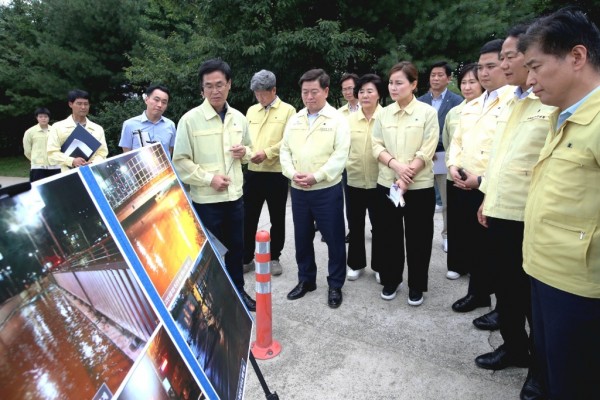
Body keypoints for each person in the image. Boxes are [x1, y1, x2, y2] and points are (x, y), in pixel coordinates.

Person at [519, 8, 600, 399]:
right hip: (544, 272)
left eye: (535, 66)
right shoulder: (563, 117)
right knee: (554, 376)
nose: (529, 79)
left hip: (580, 288)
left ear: (577, 57)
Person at [472, 27, 555, 400]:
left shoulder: (550, 101)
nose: (504, 64)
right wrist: (487, 198)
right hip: (500, 211)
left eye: (509, 56)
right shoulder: (513, 101)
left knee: (533, 301)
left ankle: (539, 371)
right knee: (506, 290)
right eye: (500, 58)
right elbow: (501, 158)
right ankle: (513, 348)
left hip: (529, 217)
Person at [172, 59, 256, 312]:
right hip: (207, 202)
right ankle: (212, 301)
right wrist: (210, 179)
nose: (215, 90)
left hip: (235, 199)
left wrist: (245, 152)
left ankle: (238, 293)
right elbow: (180, 161)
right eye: (209, 86)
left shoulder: (239, 119)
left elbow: (250, 149)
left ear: (229, 85)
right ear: (202, 90)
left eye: (220, 84)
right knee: (209, 255)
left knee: (236, 250)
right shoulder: (190, 120)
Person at [446, 39, 513, 313]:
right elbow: (457, 141)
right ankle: (478, 294)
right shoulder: (472, 105)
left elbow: (507, 151)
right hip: (462, 183)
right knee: (473, 245)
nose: (484, 73)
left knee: (497, 251)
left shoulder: (513, 102)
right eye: (481, 67)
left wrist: (481, 181)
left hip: (491, 188)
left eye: (491, 66)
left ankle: (502, 308)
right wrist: (452, 166)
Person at [280, 68, 350, 309]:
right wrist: (292, 173)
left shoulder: (337, 120)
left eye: (314, 92)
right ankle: (306, 280)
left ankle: (335, 284)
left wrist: (317, 176)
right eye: (304, 92)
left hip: (326, 190)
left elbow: (340, 156)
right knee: (301, 238)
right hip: (299, 190)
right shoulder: (296, 119)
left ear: (326, 91)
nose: (309, 97)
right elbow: (285, 151)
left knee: (334, 239)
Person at [371, 61, 439, 306]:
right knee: (388, 235)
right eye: (391, 82)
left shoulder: (427, 113)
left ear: (413, 84)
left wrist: (407, 175)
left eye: (399, 82)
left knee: (419, 237)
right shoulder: (383, 113)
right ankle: (392, 279)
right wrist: (397, 167)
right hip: (388, 185)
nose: (393, 87)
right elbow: (376, 145)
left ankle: (416, 285)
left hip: (418, 188)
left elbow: (428, 148)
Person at [242, 70, 295, 276]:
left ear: (274, 90)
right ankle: (246, 257)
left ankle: (274, 257)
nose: (259, 97)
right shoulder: (251, 111)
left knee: (277, 218)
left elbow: (288, 141)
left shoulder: (288, 111)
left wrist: (268, 153)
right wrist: (247, 154)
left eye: (263, 93)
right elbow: (245, 139)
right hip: (253, 172)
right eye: (256, 93)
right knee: (248, 217)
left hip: (276, 173)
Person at [441, 63, 484, 279]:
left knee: (475, 225)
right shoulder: (454, 112)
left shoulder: (490, 109)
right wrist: (453, 166)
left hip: (477, 178)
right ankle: (457, 264)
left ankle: (477, 267)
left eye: (472, 82)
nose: (467, 87)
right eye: (464, 82)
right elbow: (449, 143)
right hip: (454, 174)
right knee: (457, 223)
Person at [417, 61, 463, 253]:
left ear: (449, 78)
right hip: (423, 157)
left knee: (446, 201)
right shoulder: (420, 101)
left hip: (444, 155)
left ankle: (447, 235)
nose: (435, 78)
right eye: (433, 75)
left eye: (440, 75)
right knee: (422, 199)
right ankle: (421, 235)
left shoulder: (457, 101)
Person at [345, 74, 384, 282]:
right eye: (361, 91)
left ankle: (379, 265)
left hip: (380, 182)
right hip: (354, 180)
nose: (365, 95)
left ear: (378, 94)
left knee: (380, 225)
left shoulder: (386, 117)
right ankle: (356, 264)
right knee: (356, 224)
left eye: (370, 91)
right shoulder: (349, 121)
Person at [47, 89, 108, 172]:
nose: (83, 107)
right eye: (79, 104)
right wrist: (72, 161)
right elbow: (52, 153)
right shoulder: (58, 127)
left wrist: (93, 163)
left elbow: (102, 153)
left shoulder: (98, 129)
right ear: (70, 104)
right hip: (67, 174)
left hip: (91, 173)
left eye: (86, 104)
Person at [119, 84, 176, 156]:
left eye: (164, 102)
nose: (159, 105)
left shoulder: (170, 125)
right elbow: (127, 152)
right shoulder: (129, 124)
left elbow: (170, 150)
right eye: (156, 100)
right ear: (146, 100)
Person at [337, 72, 360, 243]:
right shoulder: (339, 113)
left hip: (369, 161)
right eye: (344, 89)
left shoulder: (368, 106)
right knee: (350, 200)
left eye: (350, 88)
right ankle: (353, 230)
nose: (347, 92)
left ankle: (376, 227)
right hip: (347, 162)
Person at [22, 107, 61, 182]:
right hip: (38, 167)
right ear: (37, 118)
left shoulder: (55, 131)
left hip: (55, 166)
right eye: (40, 117)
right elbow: (27, 151)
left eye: (45, 116)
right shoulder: (30, 132)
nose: (43, 119)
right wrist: (35, 159)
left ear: (49, 118)